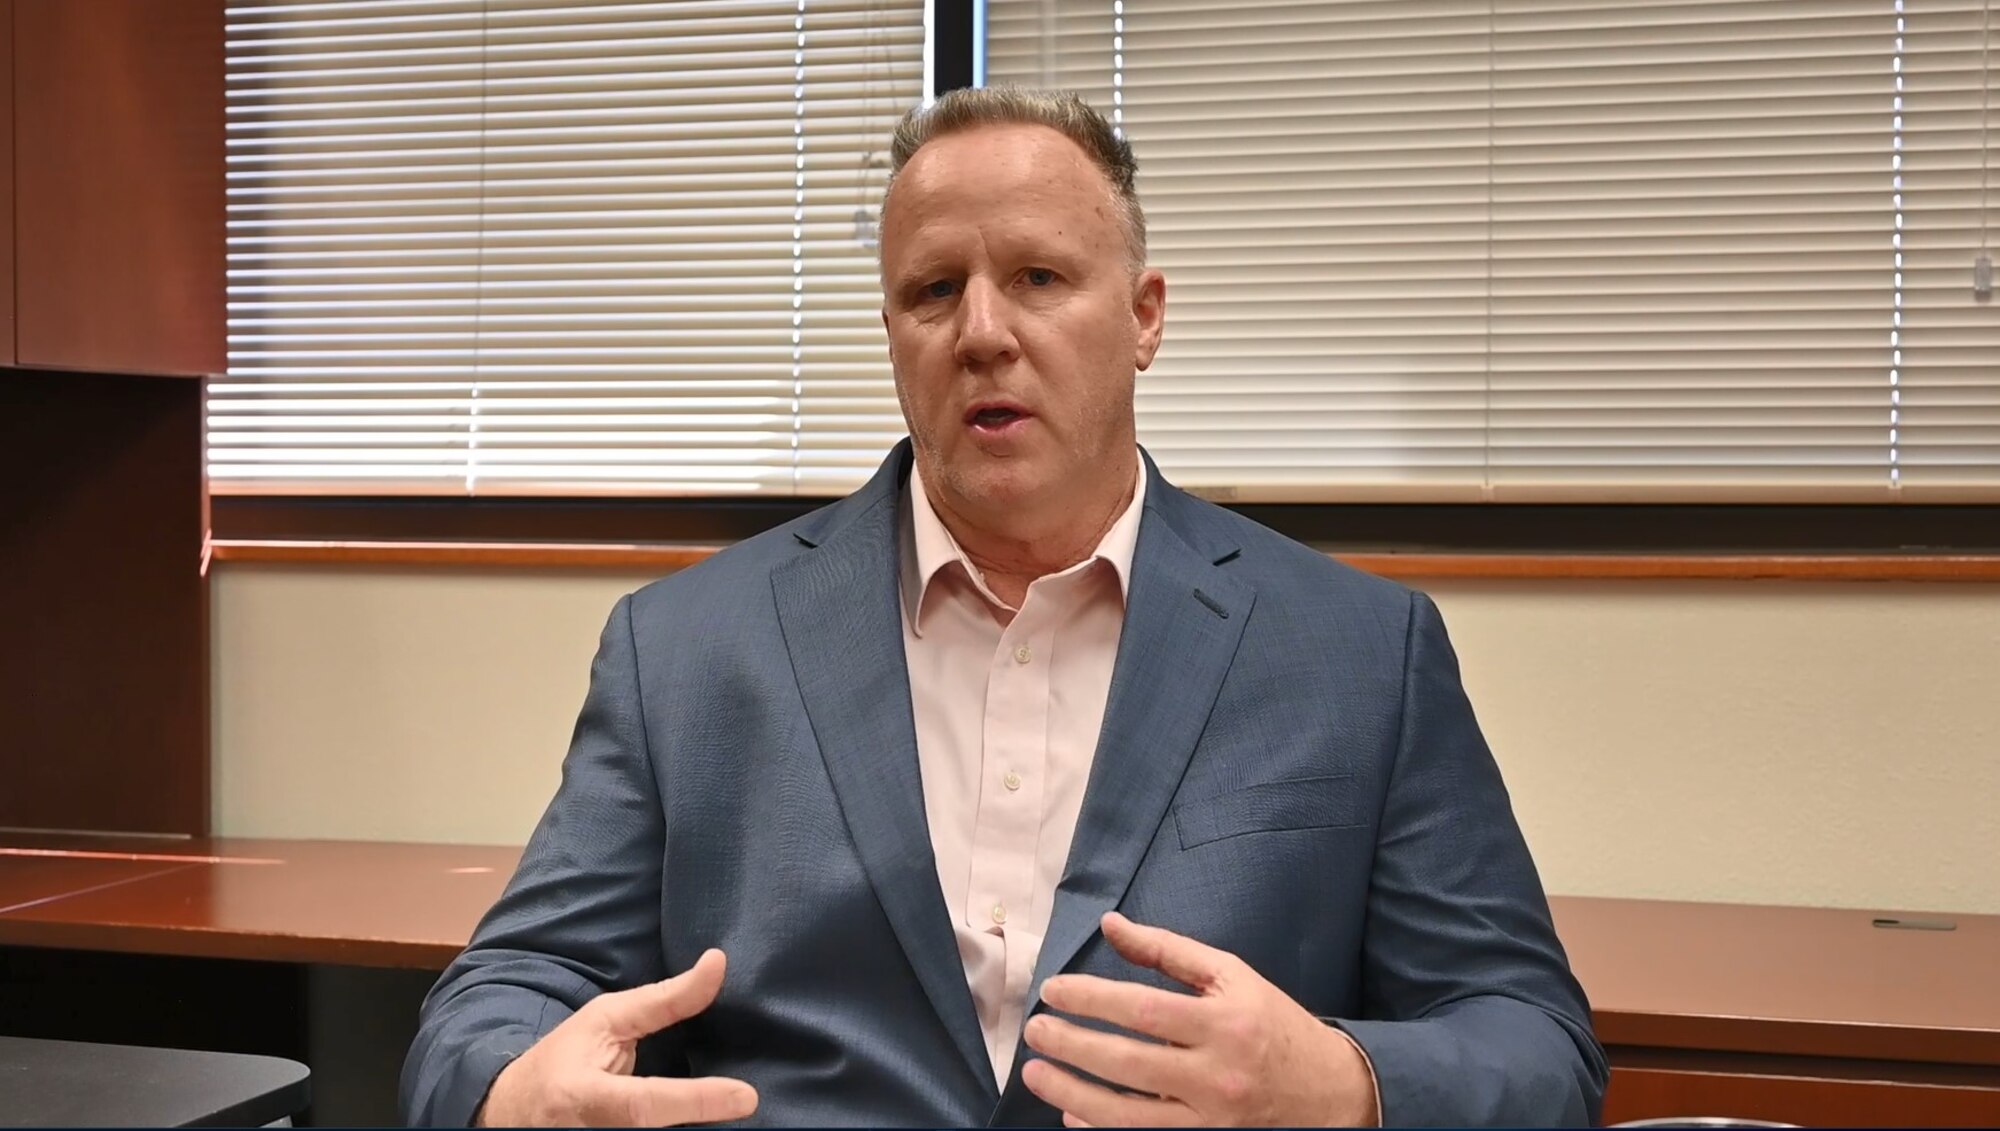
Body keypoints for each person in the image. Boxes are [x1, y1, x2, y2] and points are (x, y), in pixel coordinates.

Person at [401, 87, 1606, 1128]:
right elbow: (509, 984)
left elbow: (1533, 1045)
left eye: (1037, 277)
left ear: (1143, 318)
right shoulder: (685, 651)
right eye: (933, 291)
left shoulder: (1358, 653)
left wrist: (1338, 1082)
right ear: (891, 335)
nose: (983, 332)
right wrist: (512, 1088)